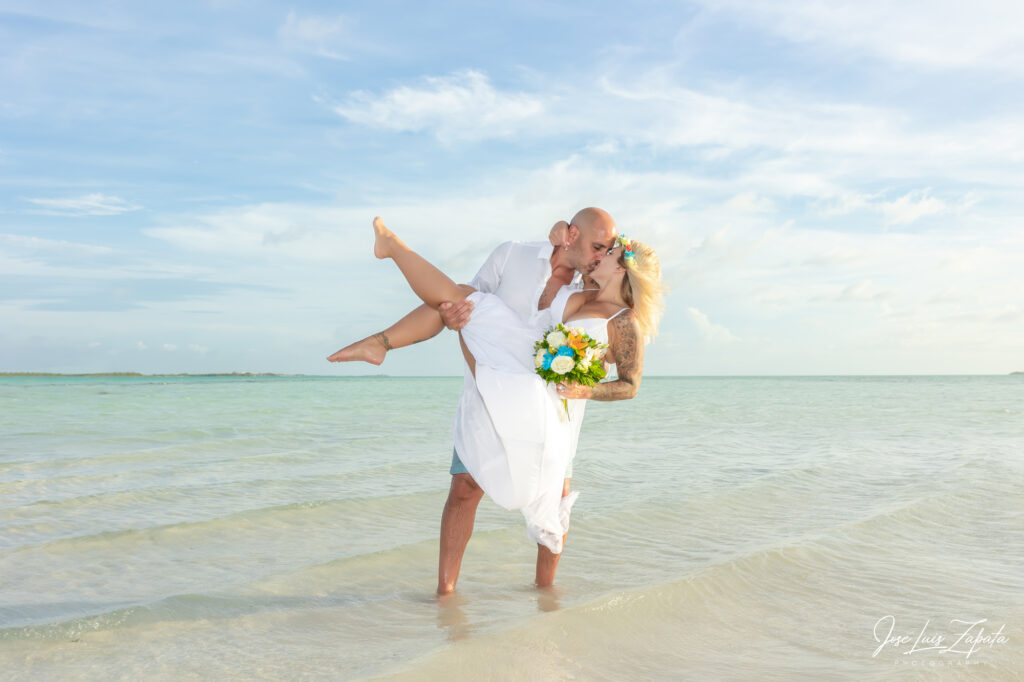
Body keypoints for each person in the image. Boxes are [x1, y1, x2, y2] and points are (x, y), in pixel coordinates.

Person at [332, 209, 666, 592]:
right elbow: (492, 312)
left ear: (622, 269)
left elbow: (628, 381)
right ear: (574, 235)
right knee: (466, 301)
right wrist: (463, 323)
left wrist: (585, 384)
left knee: (552, 505)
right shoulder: (545, 270)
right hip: (512, 366)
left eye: (607, 252)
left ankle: (545, 593)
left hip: (553, 404)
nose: (599, 256)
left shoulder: (611, 310)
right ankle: (446, 593)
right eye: (598, 247)